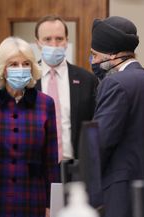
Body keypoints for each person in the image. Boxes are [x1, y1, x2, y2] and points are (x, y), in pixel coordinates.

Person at [0, 36, 60, 217]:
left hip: (32, 197)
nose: (21, 69)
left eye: (26, 63)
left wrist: (53, 204)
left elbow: (50, 160)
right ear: (2, 68)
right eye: (13, 64)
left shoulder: (45, 104)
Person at [90, 16, 144, 217]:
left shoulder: (115, 84)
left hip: (119, 199)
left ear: (112, 55)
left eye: (95, 55)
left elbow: (100, 144)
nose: (94, 62)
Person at [34, 15, 98, 164]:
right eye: (47, 39)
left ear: (66, 41)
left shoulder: (87, 80)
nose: (54, 44)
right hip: (37, 168)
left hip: (76, 166)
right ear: (38, 42)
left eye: (59, 38)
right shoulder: (27, 79)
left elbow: (95, 125)